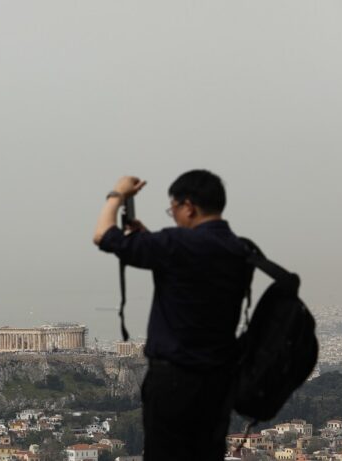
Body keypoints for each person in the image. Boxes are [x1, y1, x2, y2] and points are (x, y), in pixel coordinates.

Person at [92, 170, 252, 460]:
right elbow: (193, 273)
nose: (174, 216)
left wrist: (117, 195)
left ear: (189, 206)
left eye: (173, 209)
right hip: (219, 383)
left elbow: (102, 235)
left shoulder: (176, 245)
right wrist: (148, 240)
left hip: (175, 382)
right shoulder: (240, 249)